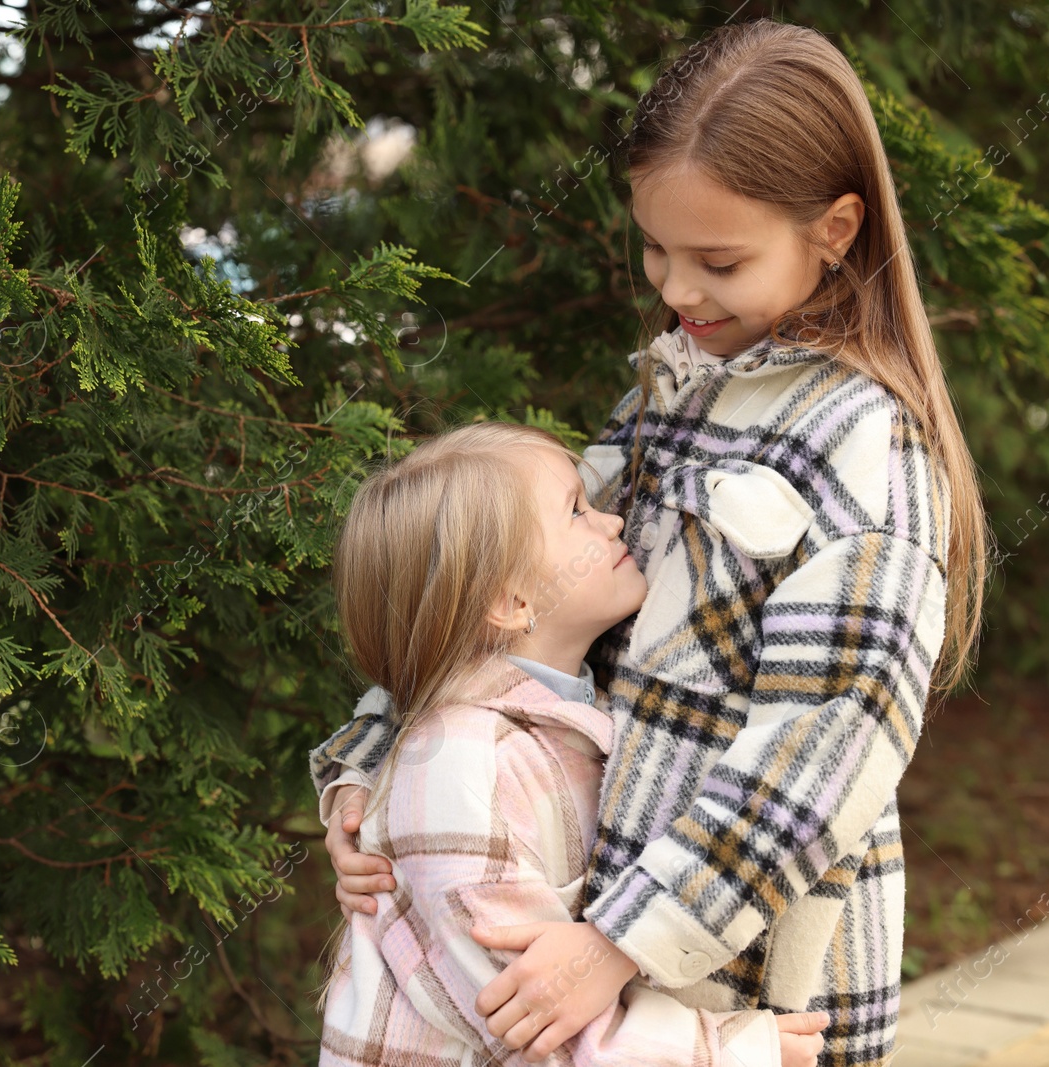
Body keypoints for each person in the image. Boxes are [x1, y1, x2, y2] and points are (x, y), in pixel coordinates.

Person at [311, 18, 990, 1065]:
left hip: (746, 984)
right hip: (597, 972)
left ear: (837, 228)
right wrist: (372, 757)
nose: (675, 291)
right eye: (655, 249)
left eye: (717, 259)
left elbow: (823, 747)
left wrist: (623, 939)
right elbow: (494, 575)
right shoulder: (676, 388)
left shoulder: (865, 449)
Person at [314, 422, 830, 1066]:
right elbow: (526, 1014)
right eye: (577, 512)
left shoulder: (572, 708)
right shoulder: (463, 768)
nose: (612, 523)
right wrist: (729, 1052)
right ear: (511, 600)